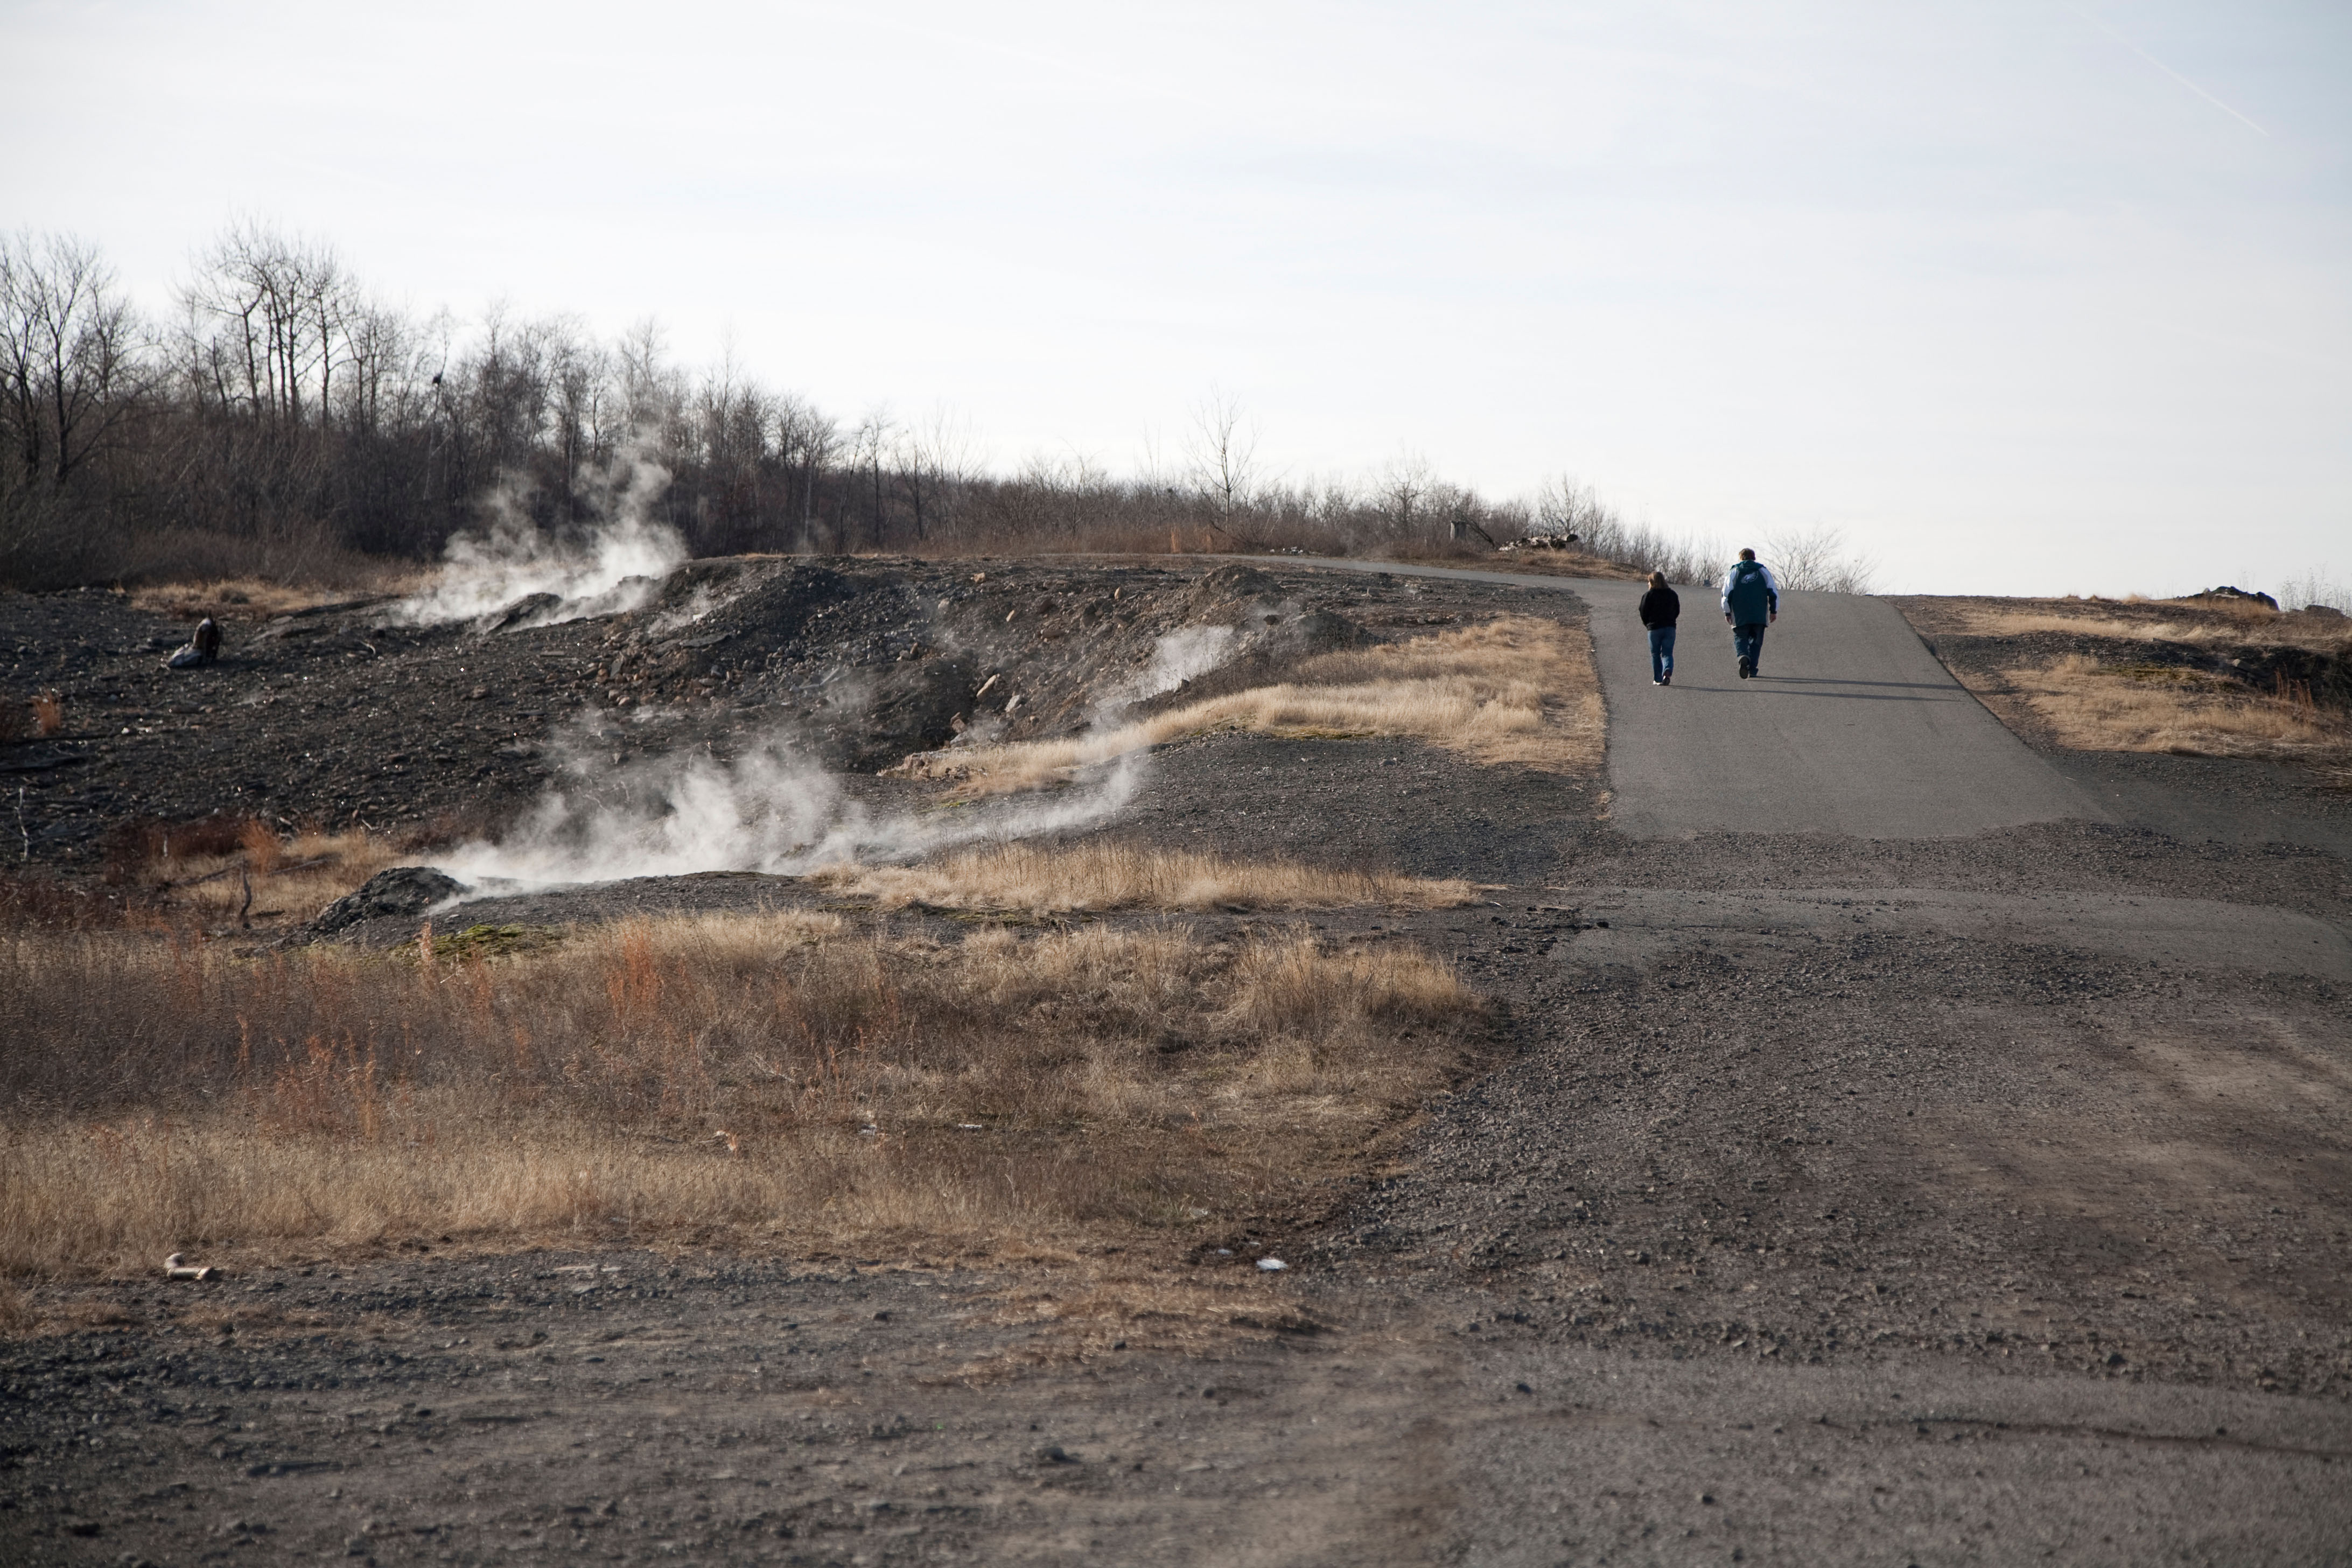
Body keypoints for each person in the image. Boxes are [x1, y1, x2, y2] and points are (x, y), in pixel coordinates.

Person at [1719, 548, 1779, 678]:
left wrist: (1727, 612)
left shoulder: (1734, 572)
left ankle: (1743, 656)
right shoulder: (1763, 571)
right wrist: (1773, 610)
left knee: (1740, 638)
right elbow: (1773, 592)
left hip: (1740, 614)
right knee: (1757, 642)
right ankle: (1752, 669)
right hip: (1759, 614)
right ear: (1754, 558)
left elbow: (1726, 594)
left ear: (1741, 558)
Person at [1637, 570, 1679, 686]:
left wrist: (1647, 624)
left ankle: (1658, 679)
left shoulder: (1648, 595)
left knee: (1655, 654)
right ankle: (1667, 671)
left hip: (1654, 628)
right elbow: (1677, 610)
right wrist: (1671, 621)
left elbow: (1643, 611)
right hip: (1670, 628)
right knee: (1667, 653)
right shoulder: (1672, 594)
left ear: (1652, 582)